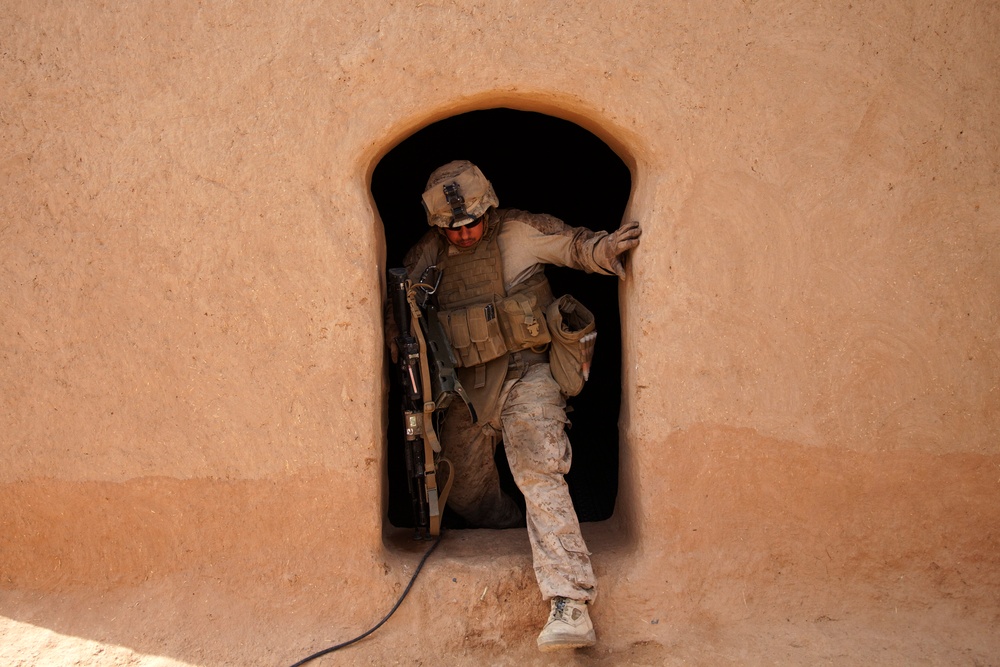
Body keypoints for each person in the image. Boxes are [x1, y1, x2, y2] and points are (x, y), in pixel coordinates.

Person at [386, 160, 641, 651]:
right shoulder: (426, 257)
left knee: (537, 464)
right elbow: (399, 317)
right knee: (462, 490)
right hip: (465, 388)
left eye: (472, 223)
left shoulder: (520, 231)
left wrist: (604, 249)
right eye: (451, 228)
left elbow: (575, 245)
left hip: (528, 374)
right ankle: (512, 529)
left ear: (489, 208)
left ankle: (569, 600)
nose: (463, 234)